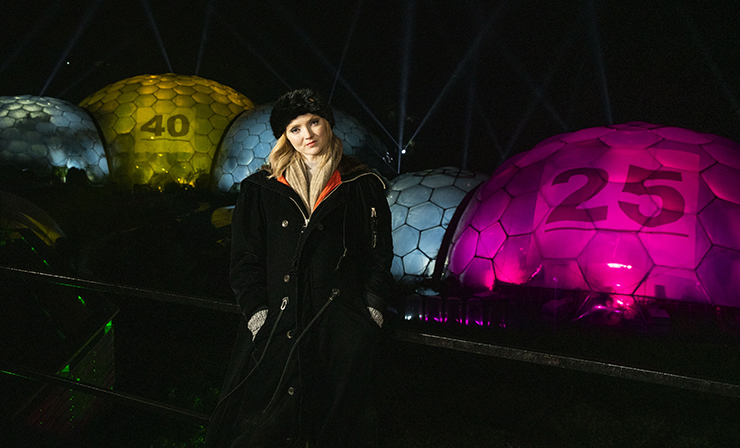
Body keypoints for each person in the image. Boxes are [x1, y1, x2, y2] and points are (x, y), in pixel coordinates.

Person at [205, 88, 393, 447]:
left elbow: (378, 253)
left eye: (314, 122)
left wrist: (371, 309)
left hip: (339, 329)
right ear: (284, 136)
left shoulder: (361, 183)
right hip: (278, 326)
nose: (307, 135)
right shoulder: (262, 188)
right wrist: (258, 312)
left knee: (334, 428)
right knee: (264, 426)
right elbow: (244, 260)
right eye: (294, 128)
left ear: (328, 124)